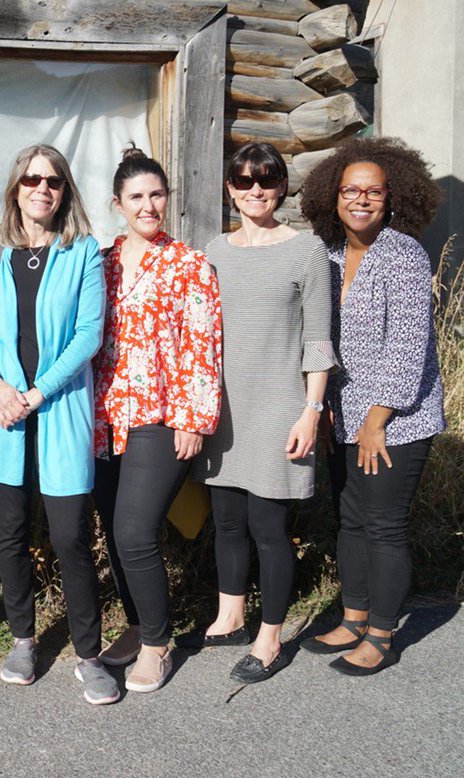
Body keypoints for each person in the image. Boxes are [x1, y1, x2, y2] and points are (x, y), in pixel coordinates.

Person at [0, 145, 118, 705]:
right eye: (31, 179)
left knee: (70, 538)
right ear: (15, 187)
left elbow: (88, 335)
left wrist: (36, 392)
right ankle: (23, 639)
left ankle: (88, 655)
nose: (42, 188)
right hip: (5, 415)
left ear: (65, 191)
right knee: (10, 536)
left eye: (53, 181)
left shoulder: (83, 252)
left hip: (57, 411)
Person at [187, 142, 337, 684]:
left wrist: (311, 412)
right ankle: (231, 614)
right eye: (245, 180)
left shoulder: (306, 250)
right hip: (223, 409)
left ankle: (270, 638)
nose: (256, 190)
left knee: (268, 526)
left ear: (282, 187)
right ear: (230, 188)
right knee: (227, 521)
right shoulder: (213, 251)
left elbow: (319, 339)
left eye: (267, 180)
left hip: (279, 406)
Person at [298, 136, 445, 675]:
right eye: (350, 190)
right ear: (332, 196)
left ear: (393, 196)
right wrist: (328, 403)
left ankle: (382, 634)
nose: (361, 199)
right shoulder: (331, 255)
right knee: (350, 519)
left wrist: (375, 422)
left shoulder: (403, 253)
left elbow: (408, 347)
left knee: (382, 524)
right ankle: (353, 616)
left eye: (373, 191)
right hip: (344, 414)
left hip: (397, 420)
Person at [92, 146, 222, 693]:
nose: (148, 205)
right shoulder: (100, 262)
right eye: (137, 197)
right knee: (116, 531)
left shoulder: (189, 263)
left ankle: (156, 644)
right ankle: (139, 620)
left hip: (161, 416)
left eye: (156, 195)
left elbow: (203, 345)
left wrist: (194, 419)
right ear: (117, 203)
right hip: (103, 417)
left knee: (135, 530)